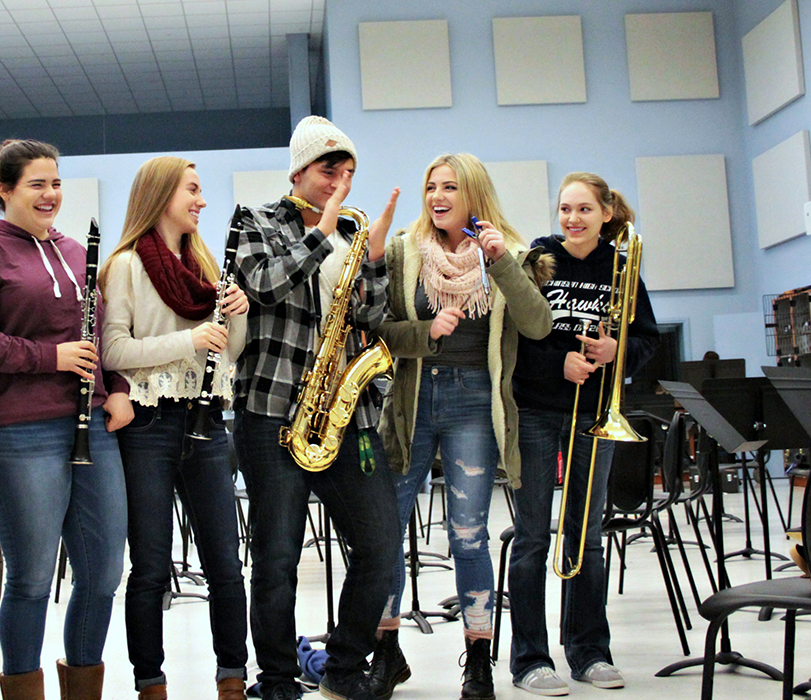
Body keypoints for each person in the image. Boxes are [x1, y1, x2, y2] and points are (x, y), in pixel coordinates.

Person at [0, 139, 130, 700]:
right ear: (4, 188)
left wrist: (115, 388)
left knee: (102, 573)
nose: (50, 195)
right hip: (14, 428)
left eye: (55, 183)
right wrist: (48, 357)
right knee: (30, 576)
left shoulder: (76, 252)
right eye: (36, 184)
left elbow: (95, 335)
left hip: (90, 422)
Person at [230, 115, 400, 700]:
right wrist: (321, 234)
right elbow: (263, 286)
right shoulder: (253, 222)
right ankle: (276, 680)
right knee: (276, 561)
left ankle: (343, 667)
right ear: (300, 170)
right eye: (331, 170)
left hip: (346, 417)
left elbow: (369, 319)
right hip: (272, 412)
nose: (342, 183)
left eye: (350, 173)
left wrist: (373, 259)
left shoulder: (353, 232)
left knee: (380, 548)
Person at [373, 153, 553, 699]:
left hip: (475, 402)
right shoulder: (405, 252)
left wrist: (499, 262)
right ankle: (385, 652)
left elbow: (538, 326)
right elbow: (378, 330)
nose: (437, 196)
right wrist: (425, 331)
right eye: (431, 186)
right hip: (412, 398)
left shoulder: (509, 254)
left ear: (473, 194)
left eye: (450, 186)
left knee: (469, 534)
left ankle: (478, 661)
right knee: (384, 532)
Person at [98, 156, 250, 700]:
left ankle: (233, 677)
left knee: (225, 564)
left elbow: (230, 352)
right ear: (162, 194)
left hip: (208, 421)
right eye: (192, 190)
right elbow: (112, 350)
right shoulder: (123, 266)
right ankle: (150, 682)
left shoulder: (206, 262)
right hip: (149, 425)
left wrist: (239, 313)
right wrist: (189, 341)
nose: (202, 201)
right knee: (151, 566)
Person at [509, 172, 659, 696]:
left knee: (587, 539)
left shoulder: (622, 268)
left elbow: (646, 338)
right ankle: (529, 660)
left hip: (594, 413)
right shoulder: (538, 261)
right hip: (536, 410)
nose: (572, 219)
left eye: (584, 210)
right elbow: (519, 334)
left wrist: (619, 353)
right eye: (565, 209)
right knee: (530, 540)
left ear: (606, 214)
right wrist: (560, 365)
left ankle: (589, 652)